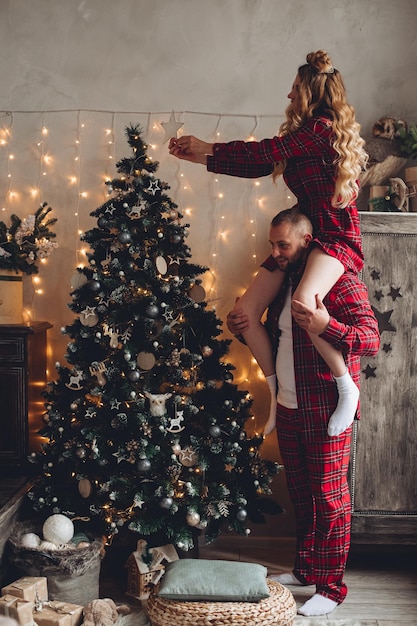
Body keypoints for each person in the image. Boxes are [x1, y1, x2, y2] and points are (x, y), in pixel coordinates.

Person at [169, 49, 368, 438]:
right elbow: (260, 163)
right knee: (245, 312)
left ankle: (347, 388)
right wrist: (201, 157)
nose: (290, 96)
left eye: (295, 90)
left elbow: (265, 152)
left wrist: (208, 147)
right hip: (305, 238)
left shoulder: (320, 129)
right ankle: (276, 393)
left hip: (334, 237)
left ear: (311, 93)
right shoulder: (302, 137)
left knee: (303, 305)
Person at [227, 208, 380, 616]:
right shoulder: (285, 285)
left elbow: (370, 339)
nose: (274, 252)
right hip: (290, 406)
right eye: (271, 244)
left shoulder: (339, 283)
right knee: (303, 497)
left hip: (327, 410)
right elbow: (276, 340)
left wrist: (327, 324)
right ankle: (306, 569)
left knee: (331, 501)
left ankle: (331, 587)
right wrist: (239, 323)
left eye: (283, 245)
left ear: (307, 242)